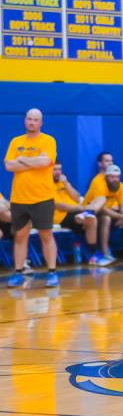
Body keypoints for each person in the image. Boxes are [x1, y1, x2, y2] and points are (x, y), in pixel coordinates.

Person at [4, 109, 59, 288]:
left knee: (46, 235)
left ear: (41, 123)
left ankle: (51, 273)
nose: (32, 122)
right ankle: (19, 272)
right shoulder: (16, 141)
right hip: (19, 198)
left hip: (42, 197)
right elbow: (8, 165)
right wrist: (32, 161)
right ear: (25, 121)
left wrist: (22, 160)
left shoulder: (48, 140)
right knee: (20, 236)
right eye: (29, 119)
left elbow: (44, 162)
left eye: (35, 120)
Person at [52, 161, 109, 266]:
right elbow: (59, 205)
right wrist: (79, 208)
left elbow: (77, 197)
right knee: (92, 219)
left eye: (60, 169)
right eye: (55, 169)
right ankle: (94, 255)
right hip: (63, 215)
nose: (58, 172)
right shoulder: (46, 185)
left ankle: (88, 212)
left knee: (101, 198)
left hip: (78, 210)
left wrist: (67, 184)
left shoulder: (63, 182)